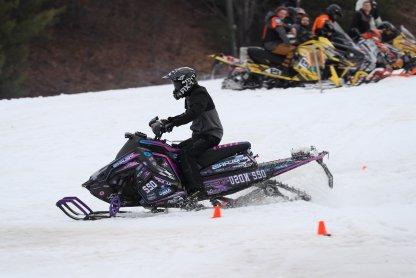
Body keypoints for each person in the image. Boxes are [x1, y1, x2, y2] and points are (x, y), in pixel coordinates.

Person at [159, 67, 223, 199]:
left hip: (210, 135)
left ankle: (197, 190)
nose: (175, 87)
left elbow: (193, 113)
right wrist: (168, 121)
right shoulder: (190, 96)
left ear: (186, 82)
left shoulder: (199, 93)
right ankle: (181, 187)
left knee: (187, 155)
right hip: (200, 135)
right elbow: (188, 114)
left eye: (176, 83)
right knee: (175, 151)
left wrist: (172, 123)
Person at [262, 6, 296, 71]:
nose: (282, 15)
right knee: (292, 50)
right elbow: (282, 32)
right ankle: (284, 69)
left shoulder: (275, 20)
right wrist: (288, 43)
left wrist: (291, 28)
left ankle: (278, 66)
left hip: (272, 43)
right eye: (281, 13)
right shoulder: (275, 19)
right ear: (277, 13)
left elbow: (284, 26)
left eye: (284, 14)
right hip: (271, 44)